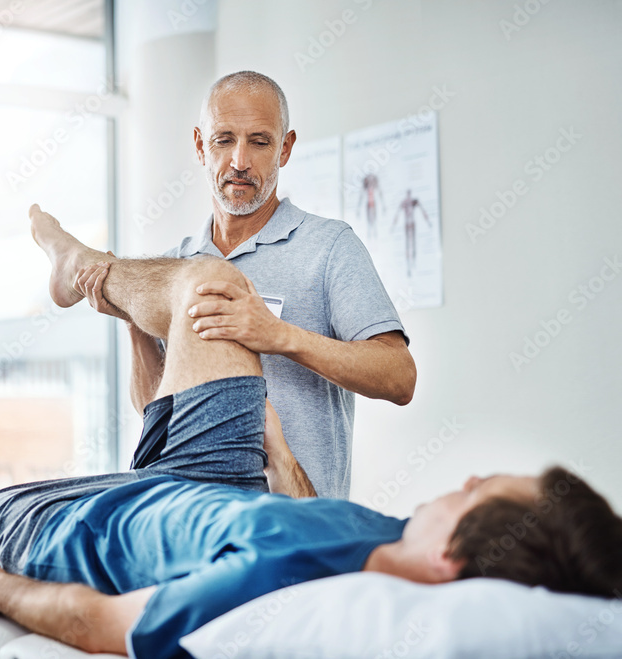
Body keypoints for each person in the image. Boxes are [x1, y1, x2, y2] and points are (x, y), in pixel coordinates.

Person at [0, 211, 622, 659]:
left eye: (477, 492)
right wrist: (274, 444)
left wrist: (3, 591)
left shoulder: (280, 588)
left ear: (455, 560)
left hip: (102, 530)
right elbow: (306, 505)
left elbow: (111, 627)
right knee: (212, 286)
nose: (466, 478)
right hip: (222, 477)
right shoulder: (395, 534)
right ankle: (89, 274)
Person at [79, 70, 415, 499]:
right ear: (201, 145)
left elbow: (399, 377)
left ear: (285, 148)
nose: (240, 161)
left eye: (259, 141)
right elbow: (156, 414)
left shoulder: (330, 247)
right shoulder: (176, 265)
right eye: (224, 140)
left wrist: (279, 335)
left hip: (299, 525)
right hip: (199, 519)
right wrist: (134, 318)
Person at [393, 188, 433, 276]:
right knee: (408, 245)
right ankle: (409, 267)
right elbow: (397, 214)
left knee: (413, 244)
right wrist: (393, 226)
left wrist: (428, 222)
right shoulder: (405, 202)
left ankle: (413, 264)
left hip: (411, 223)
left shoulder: (413, 201)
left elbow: (422, 210)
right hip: (408, 224)